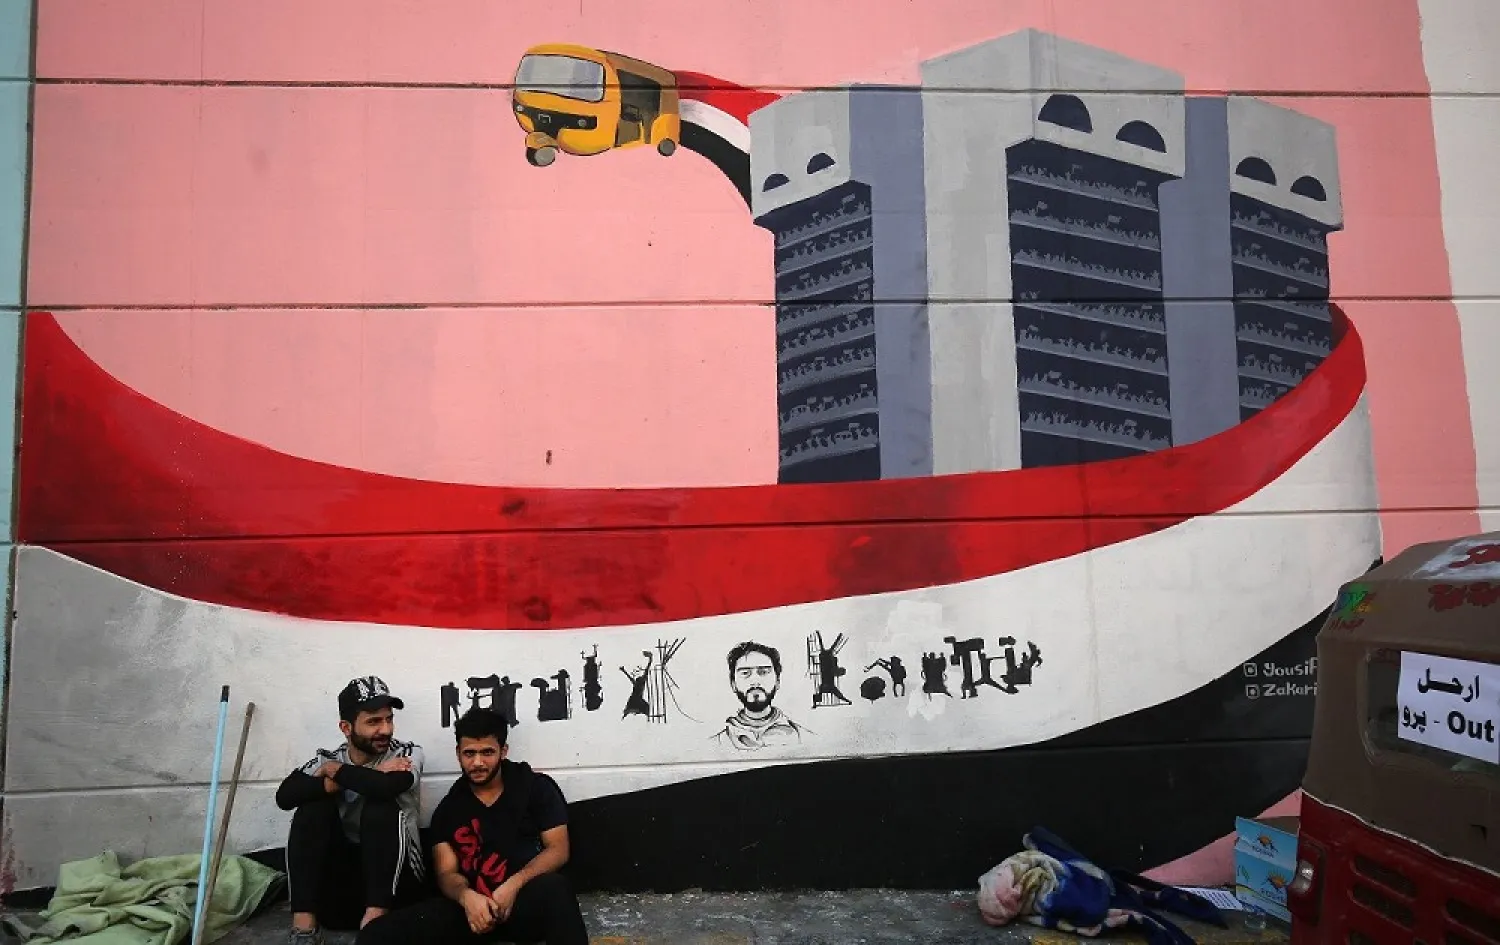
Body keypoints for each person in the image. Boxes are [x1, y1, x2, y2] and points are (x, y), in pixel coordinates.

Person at [357, 708, 589, 945]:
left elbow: (558, 850)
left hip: (523, 904)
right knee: (375, 935)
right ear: (458, 753)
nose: (478, 763)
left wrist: (514, 885)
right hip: (471, 913)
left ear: (503, 751)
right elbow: (447, 873)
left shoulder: (534, 788)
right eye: (469, 753)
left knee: (556, 888)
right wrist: (467, 897)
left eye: (487, 752)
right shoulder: (448, 810)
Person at [276, 676, 426, 945]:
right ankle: (304, 929)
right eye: (373, 722)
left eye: (389, 719)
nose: (385, 729)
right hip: (343, 888)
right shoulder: (328, 758)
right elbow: (285, 796)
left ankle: (375, 924)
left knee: (380, 805)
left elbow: (387, 787)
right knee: (313, 807)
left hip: (398, 889)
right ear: (346, 727)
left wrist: (334, 773)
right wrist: (353, 774)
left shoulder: (406, 753)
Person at [713, 641, 805, 750]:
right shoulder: (717, 744)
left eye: (763, 672)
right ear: (733, 684)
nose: (755, 681)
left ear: (777, 681)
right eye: (745, 673)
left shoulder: (803, 737)